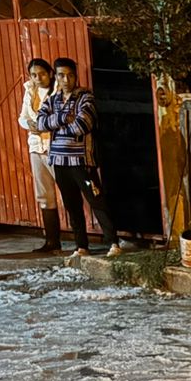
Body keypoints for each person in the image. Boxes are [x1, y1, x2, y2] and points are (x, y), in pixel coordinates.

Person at [36, 57, 122, 257]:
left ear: (76, 76)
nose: (66, 80)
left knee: (96, 200)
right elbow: (40, 124)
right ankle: (81, 246)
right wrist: (63, 118)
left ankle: (113, 243)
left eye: (70, 75)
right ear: (56, 77)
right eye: (61, 75)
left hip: (81, 161)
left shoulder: (86, 97)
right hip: (59, 160)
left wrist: (55, 124)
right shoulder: (52, 99)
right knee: (71, 204)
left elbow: (82, 125)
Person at [18, 57, 60, 253]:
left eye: (42, 74)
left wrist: (43, 126)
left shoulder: (58, 89)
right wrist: (30, 125)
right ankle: (52, 241)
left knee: (68, 191)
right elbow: (22, 118)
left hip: (55, 147)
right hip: (36, 146)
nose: (38, 78)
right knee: (44, 194)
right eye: (34, 75)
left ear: (50, 73)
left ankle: (81, 241)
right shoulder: (29, 91)